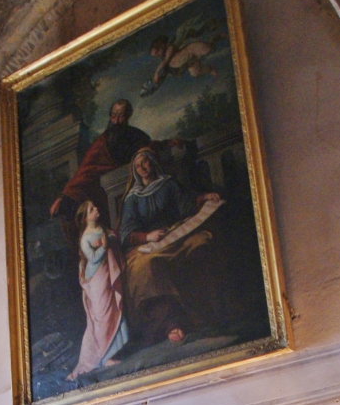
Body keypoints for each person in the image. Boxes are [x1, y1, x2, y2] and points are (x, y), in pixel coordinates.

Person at [117, 148, 222, 347]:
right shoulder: (132, 198)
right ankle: (171, 323)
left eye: (145, 163)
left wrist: (203, 198)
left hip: (177, 234)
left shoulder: (168, 184)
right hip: (149, 244)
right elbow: (126, 232)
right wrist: (147, 236)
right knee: (144, 267)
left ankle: (207, 313)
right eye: (138, 166)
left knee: (201, 243)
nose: (142, 168)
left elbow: (187, 205)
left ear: (153, 163)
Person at [50, 99, 155, 228]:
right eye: (113, 115)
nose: (116, 121)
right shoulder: (101, 144)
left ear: (128, 116)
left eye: (121, 116)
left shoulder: (137, 136)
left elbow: (150, 148)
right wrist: (64, 197)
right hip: (108, 198)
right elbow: (84, 171)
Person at [67, 201, 128, 380]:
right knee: (102, 316)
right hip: (96, 279)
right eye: (92, 209)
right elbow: (92, 258)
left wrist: (111, 238)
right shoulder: (85, 237)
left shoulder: (100, 228)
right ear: (85, 218)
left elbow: (108, 240)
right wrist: (104, 245)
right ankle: (103, 358)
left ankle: (111, 354)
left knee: (113, 311)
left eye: (95, 207)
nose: (96, 210)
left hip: (106, 273)